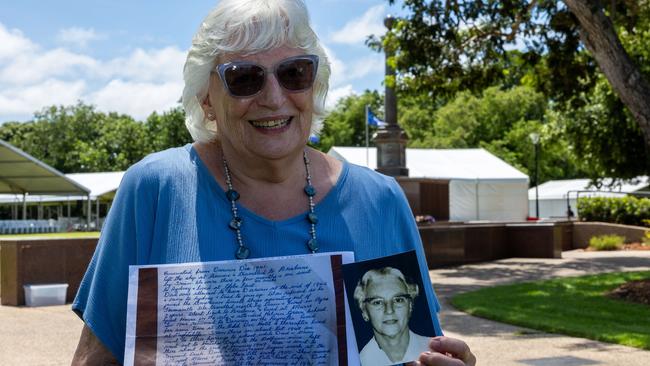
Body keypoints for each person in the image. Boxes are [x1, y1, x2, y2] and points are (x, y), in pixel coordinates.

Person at [71, 1, 476, 365]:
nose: (273, 97)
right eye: (244, 78)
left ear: (314, 84)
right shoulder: (154, 190)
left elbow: (409, 353)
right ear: (206, 99)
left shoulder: (381, 201)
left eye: (294, 73)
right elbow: (95, 358)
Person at [354, 267, 431, 365]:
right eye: (377, 302)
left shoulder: (431, 348)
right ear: (364, 311)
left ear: (410, 305)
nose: (389, 310)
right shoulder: (358, 360)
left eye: (398, 300)